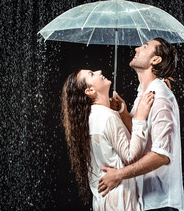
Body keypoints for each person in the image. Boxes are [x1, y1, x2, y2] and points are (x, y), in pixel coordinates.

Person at [98, 38, 184, 211]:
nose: (137, 48)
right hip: (144, 201)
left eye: (145, 47)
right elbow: (143, 136)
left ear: (156, 59)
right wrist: (123, 111)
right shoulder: (144, 93)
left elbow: (162, 155)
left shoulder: (161, 98)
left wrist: (119, 175)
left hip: (162, 203)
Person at [61, 69, 155, 211]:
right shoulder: (107, 117)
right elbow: (131, 157)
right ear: (90, 91)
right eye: (92, 74)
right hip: (120, 202)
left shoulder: (91, 118)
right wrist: (140, 118)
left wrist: (121, 110)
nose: (99, 71)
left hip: (105, 201)